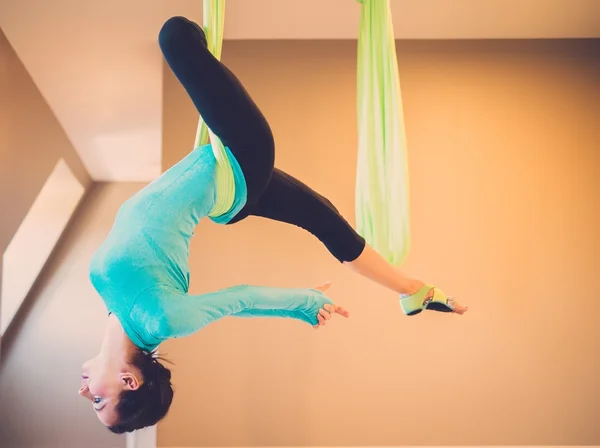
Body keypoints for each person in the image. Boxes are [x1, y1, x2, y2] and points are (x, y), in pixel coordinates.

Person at [78, 16, 468, 434]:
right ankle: (411, 289)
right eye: (100, 400)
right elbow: (240, 299)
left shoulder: (118, 311)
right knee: (175, 37)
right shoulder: (160, 320)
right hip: (240, 160)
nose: (84, 393)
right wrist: (301, 304)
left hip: (226, 194)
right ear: (128, 381)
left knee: (328, 222)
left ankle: (412, 291)